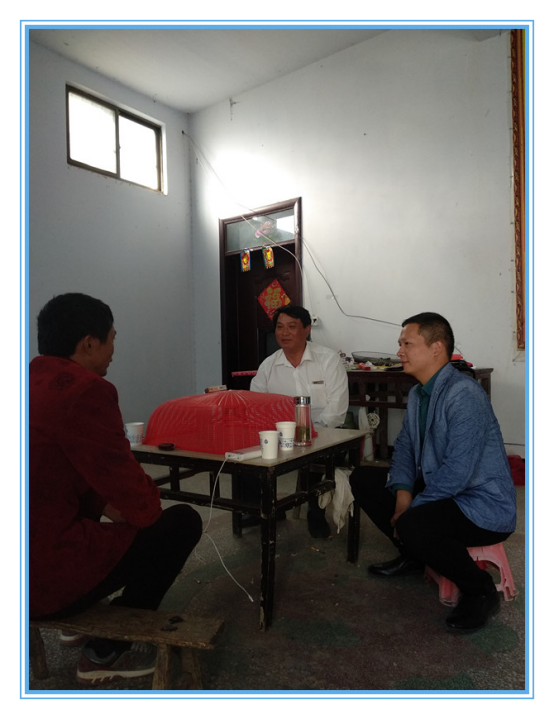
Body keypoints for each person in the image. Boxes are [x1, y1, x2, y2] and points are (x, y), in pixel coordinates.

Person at [29, 293, 202, 684]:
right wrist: (127, 502)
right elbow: (142, 506)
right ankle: (105, 650)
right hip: (43, 578)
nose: (113, 350)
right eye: (112, 339)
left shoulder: (27, 381)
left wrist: (105, 502)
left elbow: (54, 470)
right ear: (89, 343)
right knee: (179, 523)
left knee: (95, 514)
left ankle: (79, 617)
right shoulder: (85, 391)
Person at [349, 312, 517, 634]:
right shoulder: (418, 394)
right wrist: (402, 498)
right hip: (447, 491)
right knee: (363, 479)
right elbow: (405, 448)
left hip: (481, 503)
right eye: (400, 344)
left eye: (407, 344)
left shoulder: (464, 394)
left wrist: (413, 508)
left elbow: (459, 471)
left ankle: (480, 589)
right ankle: (414, 555)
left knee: (414, 521)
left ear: (437, 347)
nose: (399, 351)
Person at [249, 305, 349, 538]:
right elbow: (255, 405)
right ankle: (266, 508)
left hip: (323, 432)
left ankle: (315, 513)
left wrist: (310, 435)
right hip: (281, 435)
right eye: (280, 327)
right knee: (247, 454)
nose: (284, 333)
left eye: (291, 327)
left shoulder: (328, 360)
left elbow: (337, 409)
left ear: (306, 330)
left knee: (315, 459)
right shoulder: (268, 365)